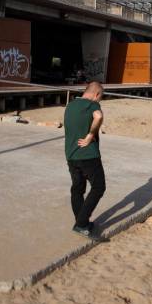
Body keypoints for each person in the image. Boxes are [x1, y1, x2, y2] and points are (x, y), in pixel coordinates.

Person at [64, 81, 106, 238]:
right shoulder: (92, 105)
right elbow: (99, 116)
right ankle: (81, 223)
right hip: (88, 155)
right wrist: (90, 136)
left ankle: (82, 223)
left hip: (71, 154)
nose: (99, 101)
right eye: (100, 97)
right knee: (99, 187)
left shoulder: (71, 105)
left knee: (77, 189)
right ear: (96, 94)